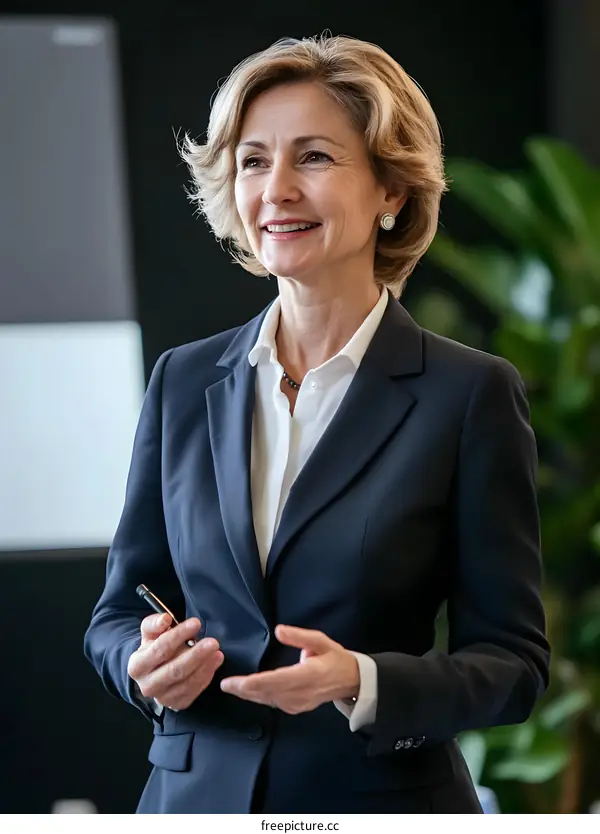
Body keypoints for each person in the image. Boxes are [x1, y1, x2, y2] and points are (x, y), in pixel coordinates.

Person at [84, 33, 550, 814]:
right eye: (254, 161)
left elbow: (513, 665)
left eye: (315, 158)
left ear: (392, 191)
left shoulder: (469, 395)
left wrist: (361, 681)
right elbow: (115, 615)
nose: (276, 191)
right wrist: (140, 659)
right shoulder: (183, 380)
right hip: (193, 803)